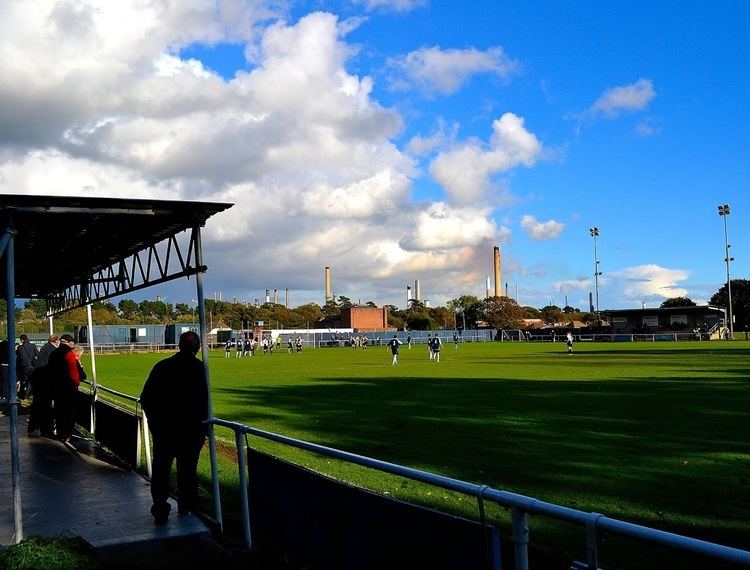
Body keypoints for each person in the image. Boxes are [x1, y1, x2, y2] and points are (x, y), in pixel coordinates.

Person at [140, 331, 208, 525]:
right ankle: (187, 506)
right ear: (197, 348)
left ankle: (160, 508)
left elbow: (146, 399)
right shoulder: (200, 369)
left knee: (161, 470)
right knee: (187, 470)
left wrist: (155, 424)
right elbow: (204, 402)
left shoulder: (162, 367)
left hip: (165, 431)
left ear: (179, 345)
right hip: (190, 431)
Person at [48, 334, 81, 442]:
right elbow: (74, 373)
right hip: (68, 388)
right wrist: (76, 383)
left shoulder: (53, 354)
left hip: (56, 387)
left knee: (59, 412)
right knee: (69, 414)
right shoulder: (69, 354)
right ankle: (65, 435)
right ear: (68, 342)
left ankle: (60, 433)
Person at [16, 334, 38, 398]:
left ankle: (22, 394)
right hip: (31, 366)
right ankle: (28, 394)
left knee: (23, 381)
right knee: (31, 381)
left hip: (23, 367)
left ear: (22, 340)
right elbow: (37, 354)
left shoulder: (20, 348)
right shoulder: (33, 346)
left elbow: (18, 358)